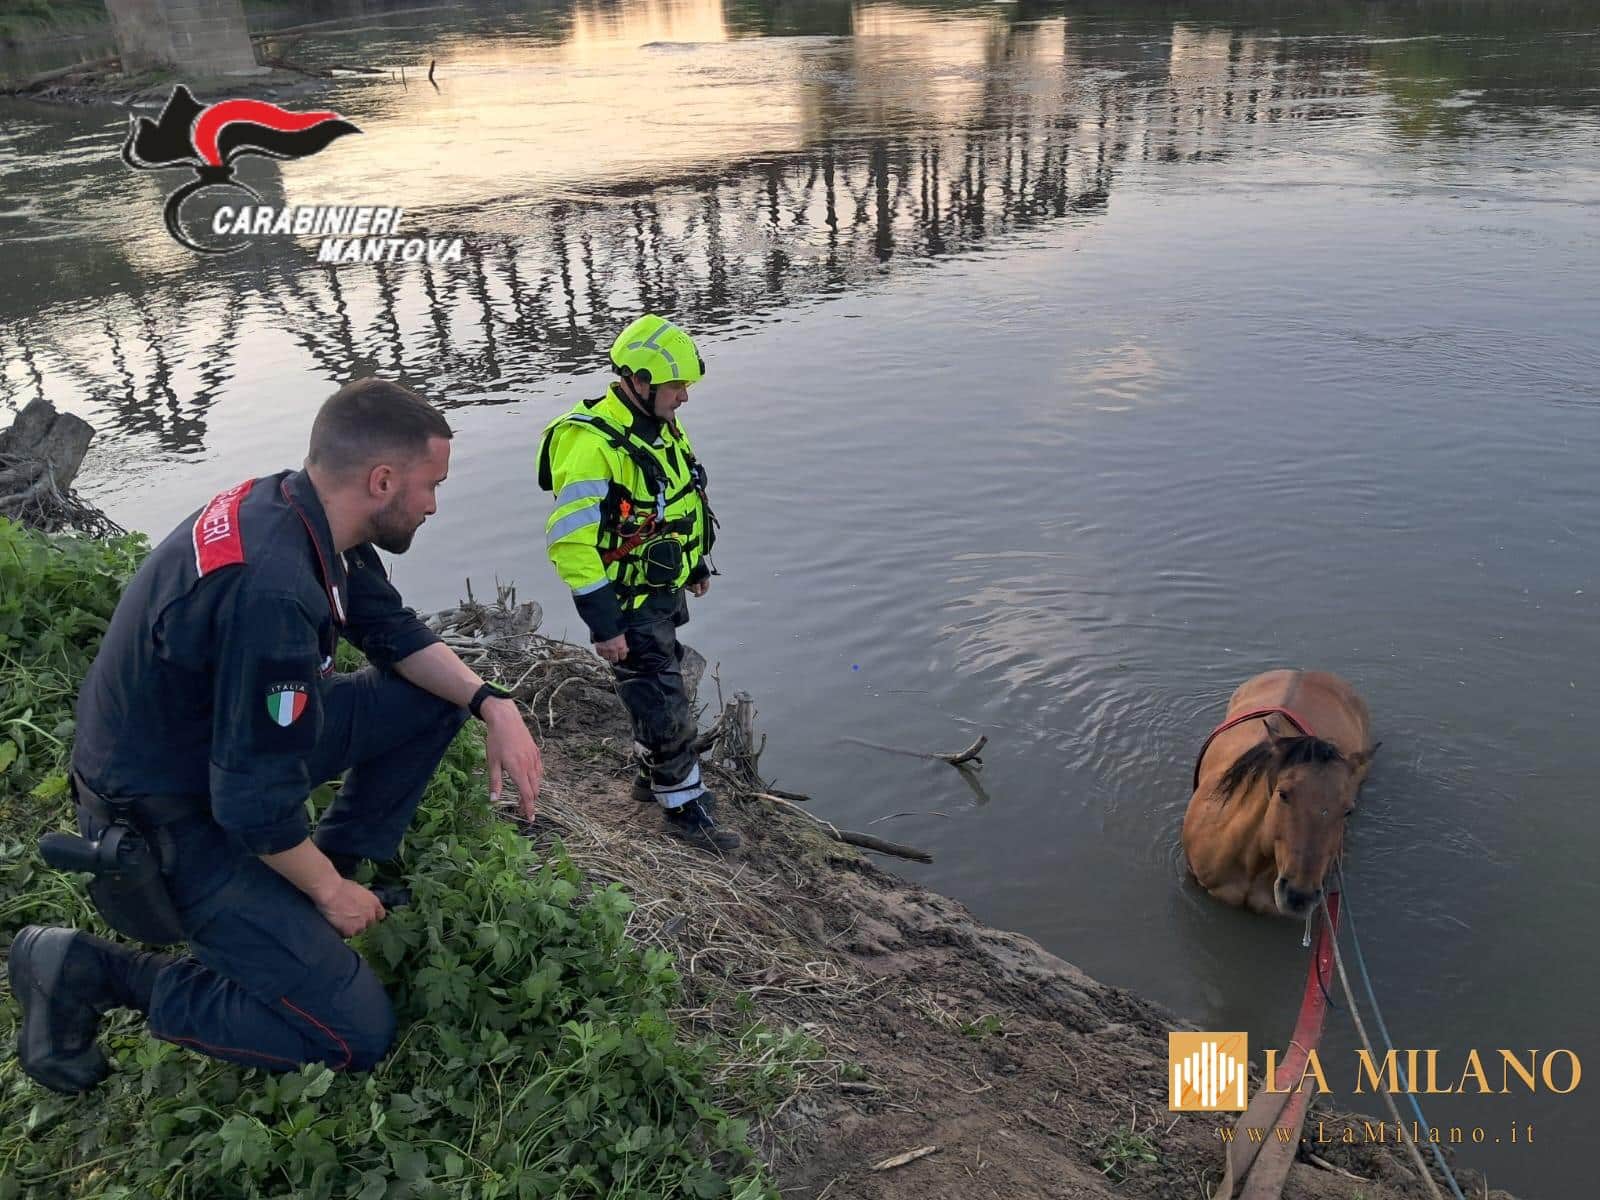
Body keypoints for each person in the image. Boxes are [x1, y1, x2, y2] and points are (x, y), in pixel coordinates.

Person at [7, 378, 543, 1095]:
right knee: (354, 1035)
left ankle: (332, 873)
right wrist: (325, 894)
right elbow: (251, 803)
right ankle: (92, 970)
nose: (433, 504)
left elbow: (388, 629)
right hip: (167, 812)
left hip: (218, 750)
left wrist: (490, 702)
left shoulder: (301, 509)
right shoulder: (275, 589)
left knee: (431, 699)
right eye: (429, 485)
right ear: (382, 480)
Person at [537, 314, 737, 853]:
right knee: (661, 693)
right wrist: (605, 626)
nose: (685, 398)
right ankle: (683, 809)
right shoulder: (593, 445)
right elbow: (571, 542)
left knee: (666, 680)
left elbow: (678, 501)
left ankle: (655, 778)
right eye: (676, 386)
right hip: (626, 603)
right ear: (639, 382)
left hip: (659, 590)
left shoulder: (658, 426)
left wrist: (696, 564)